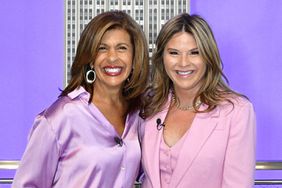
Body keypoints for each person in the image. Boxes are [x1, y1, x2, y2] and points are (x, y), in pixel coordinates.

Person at [12, 10, 149, 188]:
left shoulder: (138, 115)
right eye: (102, 48)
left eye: (122, 48)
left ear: (134, 57)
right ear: (91, 59)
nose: (112, 57)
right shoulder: (61, 116)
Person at [140, 13, 256, 188]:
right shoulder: (149, 104)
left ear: (208, 57)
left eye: (194, 53)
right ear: (162, 58)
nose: (183, 63)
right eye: (174, 53)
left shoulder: (236, 112)